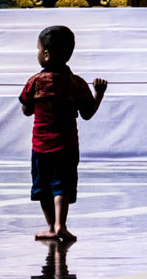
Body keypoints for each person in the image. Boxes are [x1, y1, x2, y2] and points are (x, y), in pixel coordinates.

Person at [18, 25, 107, 244]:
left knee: (43, 187)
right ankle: (61, 225)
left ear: (45, 54)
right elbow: (87, 114)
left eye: (38, 50)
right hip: (67, 144)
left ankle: (50, 226)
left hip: (41, 145)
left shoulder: (35, 82)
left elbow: (26, 109)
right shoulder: (75, 82)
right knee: (62, 185)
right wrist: (99, 94)